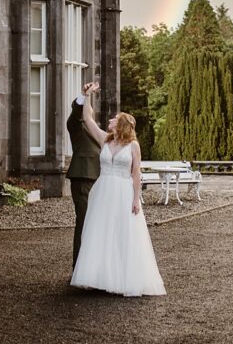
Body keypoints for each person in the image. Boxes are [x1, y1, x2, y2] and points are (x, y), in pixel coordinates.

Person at [70, 82, 166, 297]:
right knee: (100, 231)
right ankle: (98, 276)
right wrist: (86, 95)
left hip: (123, 191)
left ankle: (122, 277)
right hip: (103, 191)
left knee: (122, 232)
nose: (110, 120)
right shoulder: (104, 140)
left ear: (121, 125)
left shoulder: (133, 146)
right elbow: (87, 120)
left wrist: (136, 199)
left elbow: (136, 173)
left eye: (114, 119)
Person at [66, 82, 102, 269]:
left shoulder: (98, 134)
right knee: (84, 221)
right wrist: (84, 96)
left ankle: (94, 267)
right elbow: (77, 113)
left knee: (97, 224)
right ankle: (79, 268)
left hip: (100, 181)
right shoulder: (76, 126)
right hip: (83, 179)